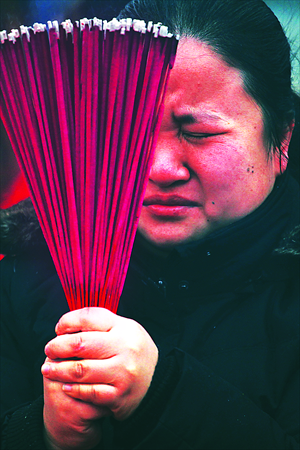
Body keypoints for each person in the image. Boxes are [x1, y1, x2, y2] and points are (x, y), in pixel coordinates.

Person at [0, 0, 299, 448]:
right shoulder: (26, 273)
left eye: (197, 133)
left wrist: (162, 397)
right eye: (132, 129)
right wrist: (43, 433)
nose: (159, 167)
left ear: (283, 136)